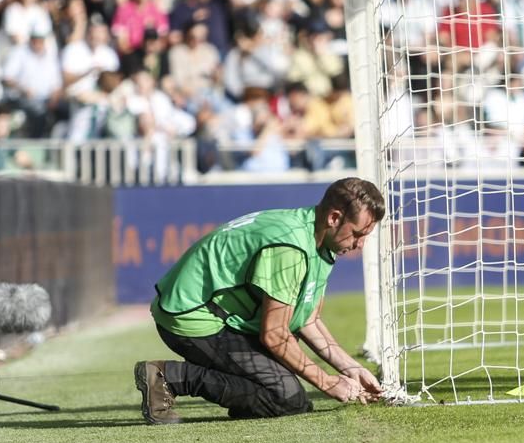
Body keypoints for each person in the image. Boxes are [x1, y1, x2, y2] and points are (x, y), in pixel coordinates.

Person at [134, 177, 386, 424]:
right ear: (334, 218)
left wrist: (351, 369)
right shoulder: (290, 247)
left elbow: (308, 320)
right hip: (190, 316)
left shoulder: (319, 238)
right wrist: (327, 382)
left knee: (285, 379)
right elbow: (275, 334)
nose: (359, 245)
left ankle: (248, 400)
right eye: (357, 234)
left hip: (218, 314)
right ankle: (169, 377)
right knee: (287, 398)